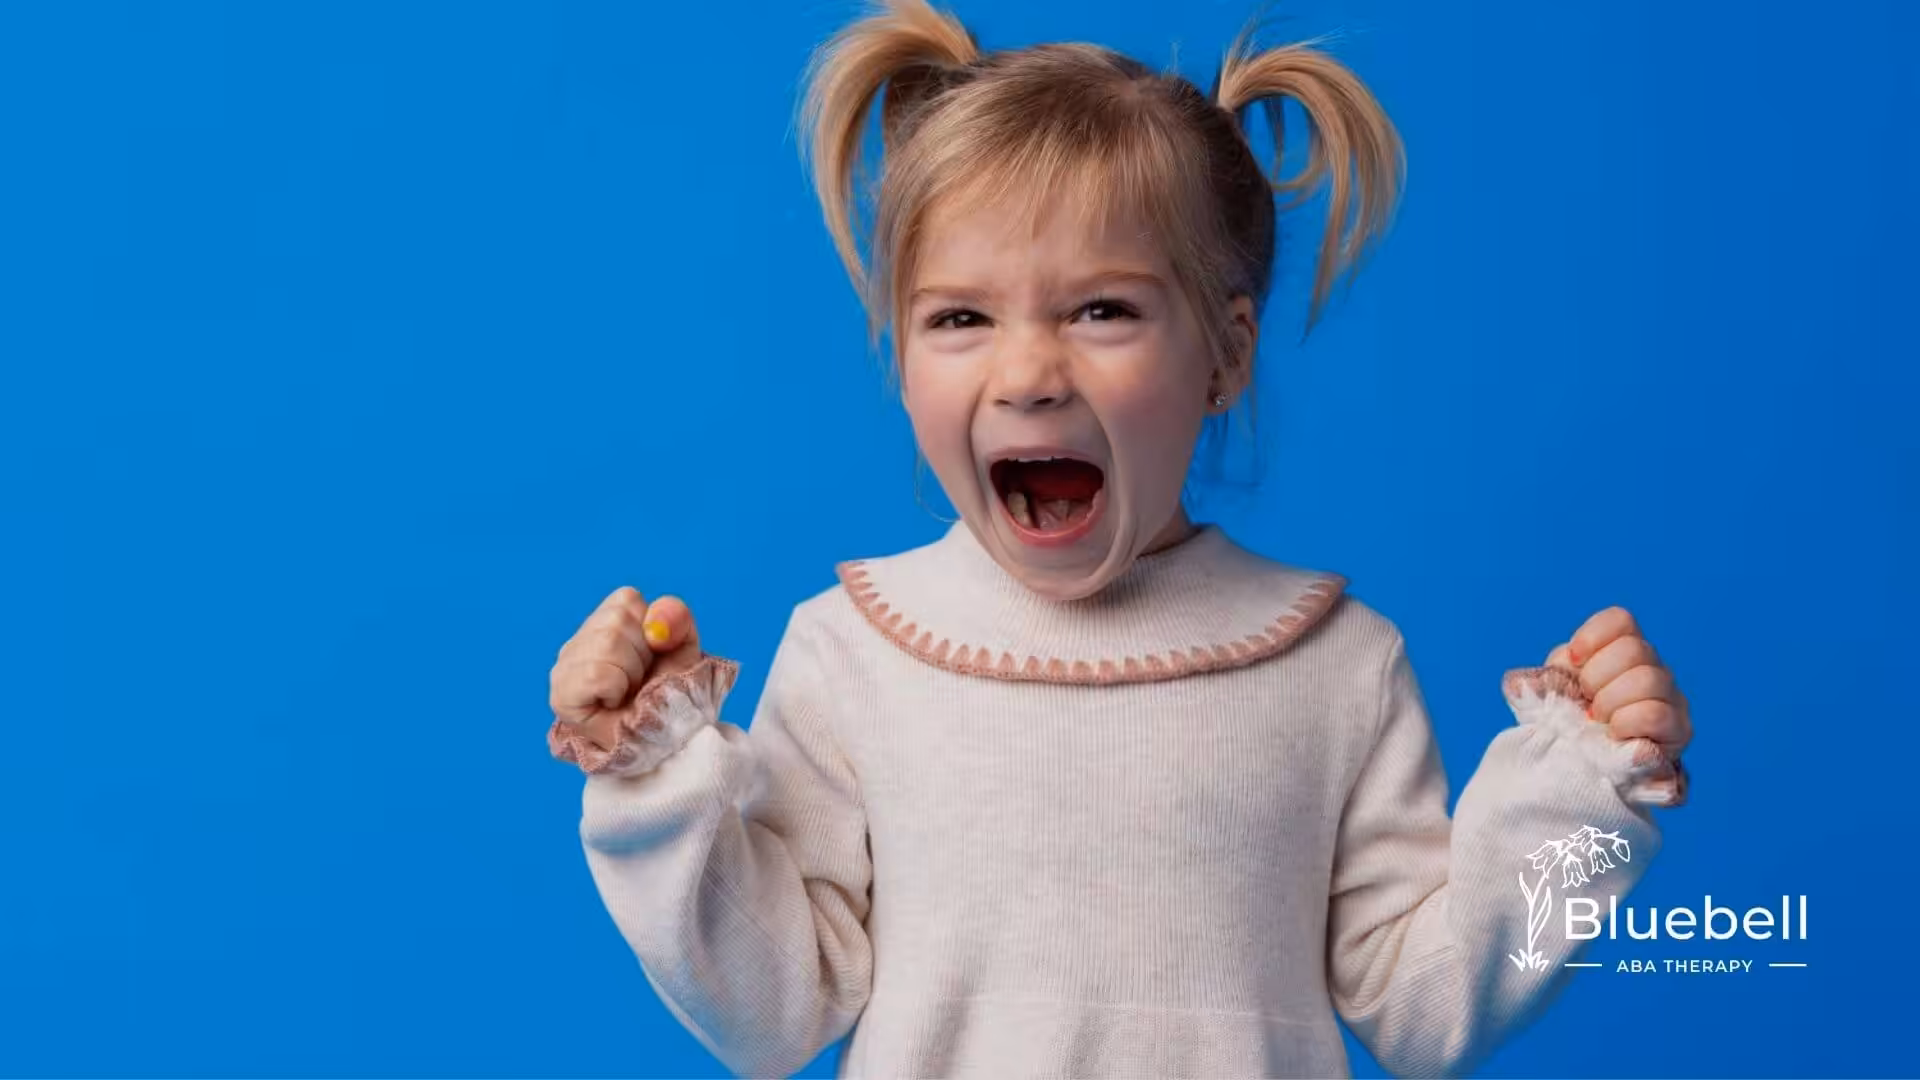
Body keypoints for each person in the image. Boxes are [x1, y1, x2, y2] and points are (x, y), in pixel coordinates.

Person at [546, 1, 1693, 1075]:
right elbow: (770, 1013)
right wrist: (653, 776)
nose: (1029, 373)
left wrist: (1578, 802)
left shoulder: (1339, 662)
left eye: (1102, 310)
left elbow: (1431, 1008)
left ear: (1227, 355)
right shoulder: (852, 652)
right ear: (897, 357)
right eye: (960, 317)